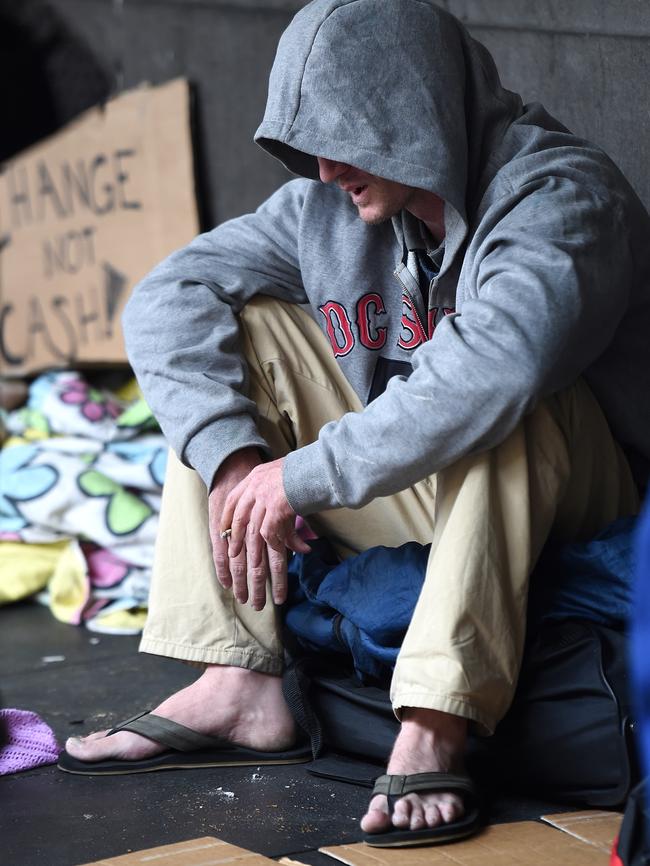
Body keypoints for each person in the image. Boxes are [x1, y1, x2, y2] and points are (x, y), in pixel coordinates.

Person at [58, 0, 650, 848]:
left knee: (496, 390)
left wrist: (296, 477)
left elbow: (495, 372)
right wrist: (236, 467)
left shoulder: (562, 198)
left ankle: (438, 716)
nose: (326, 168)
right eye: (308, 142)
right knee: (237, 331)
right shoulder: (329, 206)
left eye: (346, 134)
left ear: (417, 112)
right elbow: (167, 295)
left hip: (588, 501)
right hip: (442, 494)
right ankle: (238, 680)